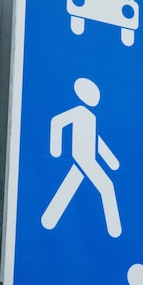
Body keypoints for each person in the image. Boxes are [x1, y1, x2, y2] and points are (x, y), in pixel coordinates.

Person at [41, 77, 122, 238]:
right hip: (82, 157)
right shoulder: (78, 112)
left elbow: (96, 141)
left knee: (69, 186)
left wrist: (111, 161)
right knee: (107, 186)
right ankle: (115, 230)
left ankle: (49, 219)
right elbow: (58, 122)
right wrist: (55, 149)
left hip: (86, 158)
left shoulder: (91, 117)